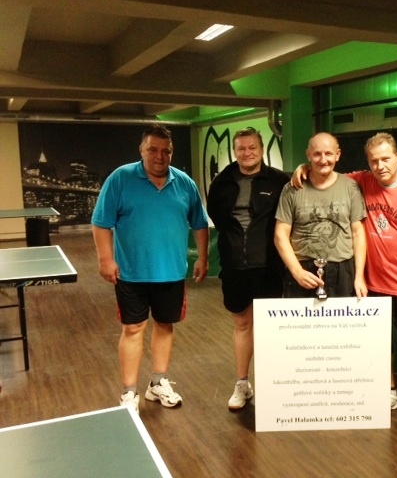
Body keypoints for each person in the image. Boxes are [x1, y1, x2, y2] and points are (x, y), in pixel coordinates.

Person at [292, 132, 397, 440]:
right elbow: (326, 171)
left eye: (386, 159)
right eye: (374, 161)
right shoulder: (361, 182)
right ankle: (390, 392)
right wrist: (303, 168)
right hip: (370, 287)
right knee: (379, 347)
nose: (380, 166)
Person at [92, 124, 209, 414]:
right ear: (141, 150)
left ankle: (157, 383)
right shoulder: (120, 179)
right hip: (131, 273)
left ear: (172, 152)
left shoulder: (184, 183)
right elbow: (101, 223)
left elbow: (199, 223)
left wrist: (203, 257)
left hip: (171, 272)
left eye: (165, 151)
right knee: (133, 328)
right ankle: (129, 392)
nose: (159, 156)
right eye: (153, 150)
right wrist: (106, 260)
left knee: (165, 325)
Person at [207, 127, 290, 411]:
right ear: (235, 151)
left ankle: (271, 385)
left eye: (252, 147)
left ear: (261, 149)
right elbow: (218, 218)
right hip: (234, 268)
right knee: (242, 324)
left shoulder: (279, 181)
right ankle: (242, 384)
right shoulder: (222, 182)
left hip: (269, 267)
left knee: (268, 327)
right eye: (241, 148)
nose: (247, 153)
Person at [275, 132, 367, 299]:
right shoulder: (292, 188)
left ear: (337, 155)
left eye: (328, 154)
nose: (323, 160)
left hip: (342, 271)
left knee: (341, 318)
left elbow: (358, 233)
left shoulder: (351, 187)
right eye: (317, 154)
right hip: (302, 270)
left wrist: (359, 276)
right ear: (308, 155)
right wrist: (297, 272)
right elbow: (280, 235)